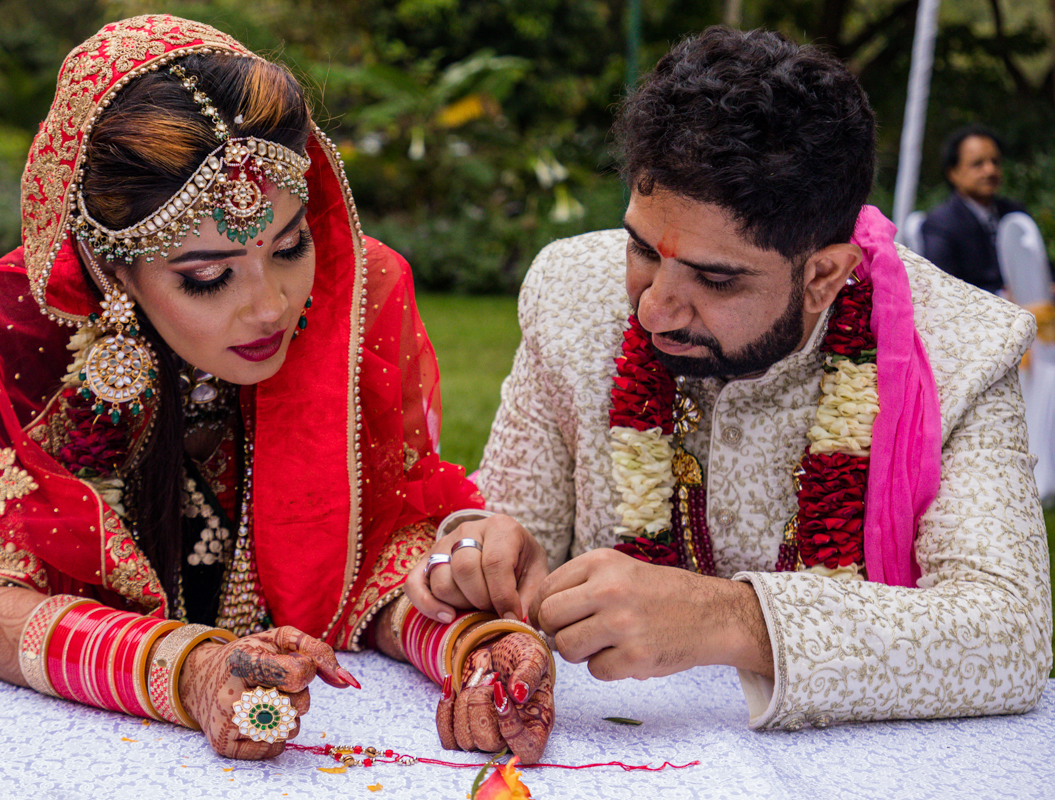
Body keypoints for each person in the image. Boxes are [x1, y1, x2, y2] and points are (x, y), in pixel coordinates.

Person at [0, 15, 554, 763]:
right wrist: (187, 670)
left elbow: (377, 556)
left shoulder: (355, 293)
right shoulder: (23, 320)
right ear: (112, 267)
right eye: (206, 277)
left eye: (290, 244)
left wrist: (474, 642)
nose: (269, 304)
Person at [407, 27, 1052, 731]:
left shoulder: (960, 346)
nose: (654, 305)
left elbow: (1010, 635)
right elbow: (511, 526)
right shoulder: (572, 296)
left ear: (824, 274)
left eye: (715, 278)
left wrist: (730, 619)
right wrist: (489, 549)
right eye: (643, 247)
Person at [920, 125, 1026, 294]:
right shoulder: (939, 224)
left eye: (995, 162)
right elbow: (943, 289)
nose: (990, 170)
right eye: (978, 164)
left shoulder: (1014, 212)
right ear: (953, 173)